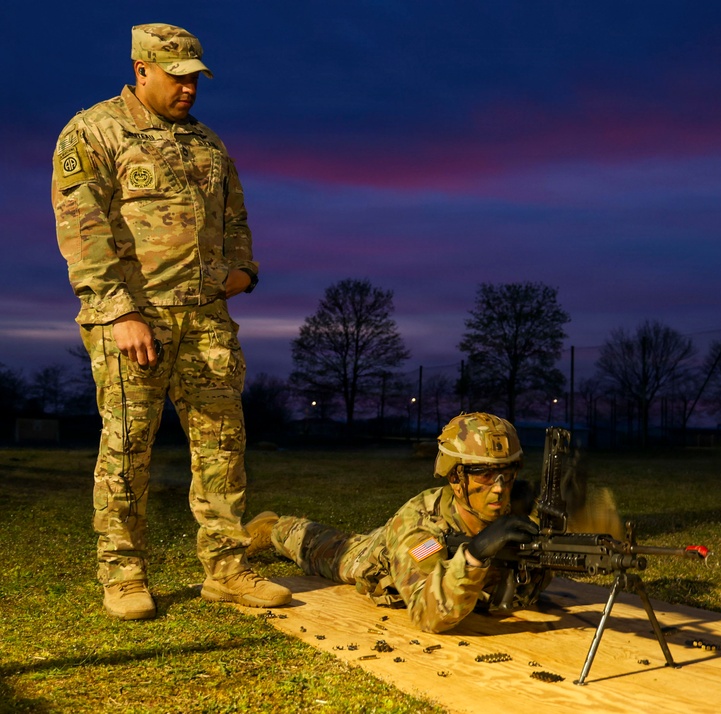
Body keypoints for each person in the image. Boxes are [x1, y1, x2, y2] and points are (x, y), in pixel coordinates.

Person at [51, 23, 290, 620]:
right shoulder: (95, 131)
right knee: (128, 447)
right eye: (177, 77)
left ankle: (227, 569)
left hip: (206, 321)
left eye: (195, 79)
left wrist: (243, 272)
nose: (189, 89)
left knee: (223, 445)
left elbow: (235, 220)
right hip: (136, 320)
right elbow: (83, 230)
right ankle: (124, 573)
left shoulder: (207, 145)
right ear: (142, 69)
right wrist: (118, 311)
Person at [245, 413, 547, 633]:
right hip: (375, 559)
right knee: (320, 546)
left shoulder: (516, 509)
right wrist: (474, 556)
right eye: (484, 474)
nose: (498, 487)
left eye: (507, 473)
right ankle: (272, 527)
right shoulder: (418, 526)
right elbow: (428, 615)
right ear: (455, 477)